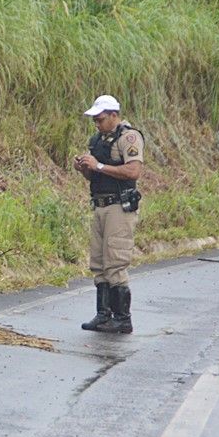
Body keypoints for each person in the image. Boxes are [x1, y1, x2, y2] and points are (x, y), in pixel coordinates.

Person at [72, 94, 143, 334]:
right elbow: (95, 176)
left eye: (101, 119)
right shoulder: (98, 140)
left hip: (119, 207)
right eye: (95, 121)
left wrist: (99, 166)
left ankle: (123, 318)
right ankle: (103, 314)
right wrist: (85, 168)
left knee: (115, 261)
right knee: (99, 263)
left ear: (114, 115)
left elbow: (133, 171)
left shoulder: (129, 138)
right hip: (100, 205)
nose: (97, 124)